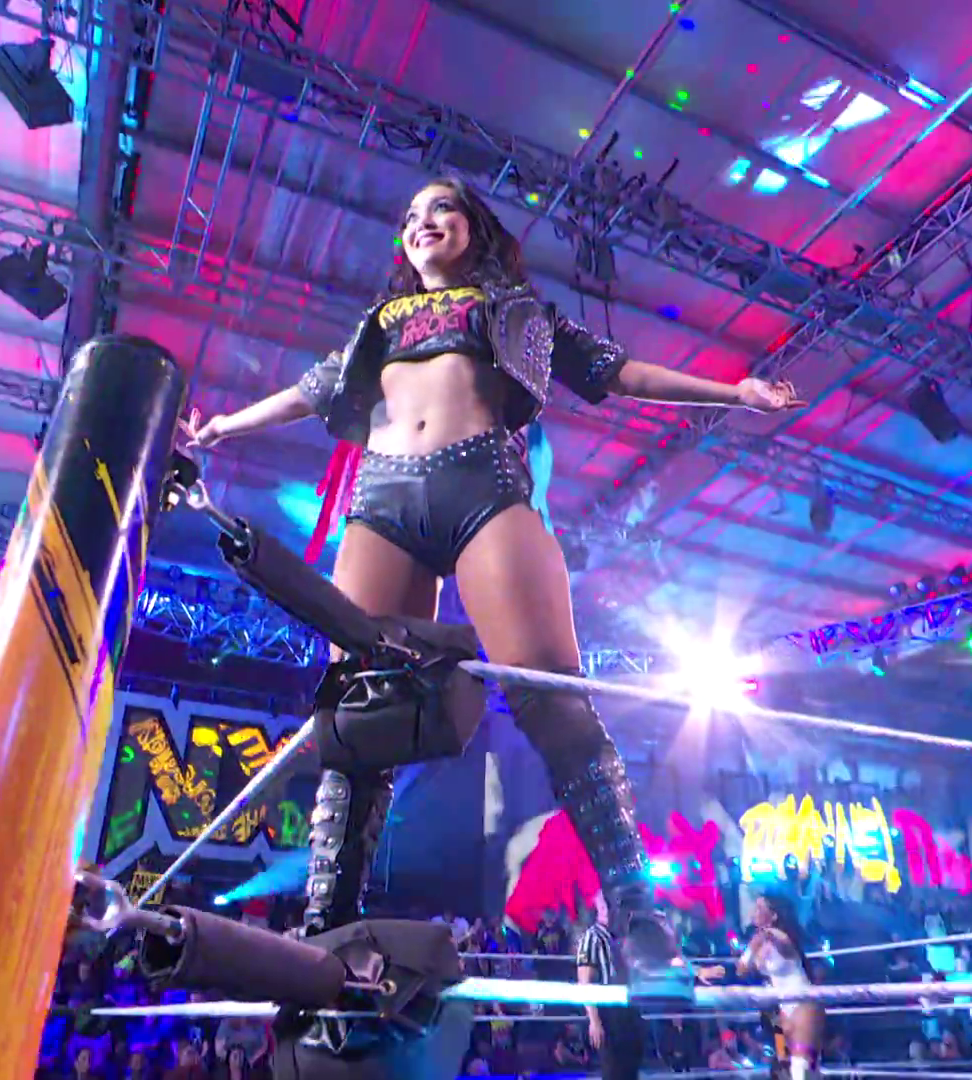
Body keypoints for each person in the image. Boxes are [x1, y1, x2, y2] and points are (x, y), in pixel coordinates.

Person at [177, 176, 801, 982]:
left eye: (439, 207)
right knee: (360, 713)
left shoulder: (516, 311)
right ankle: (328, 923)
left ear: (473, 226)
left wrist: (734, 395)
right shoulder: (382, 321)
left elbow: (617, 371)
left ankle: (637, 913)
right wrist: (223, 426)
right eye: (409, 214)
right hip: (383, 498)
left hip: (484, 486)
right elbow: (310, 390)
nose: (422, 222)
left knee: (552, 697)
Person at [698, 893, 820, 1079]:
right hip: (779, 1009)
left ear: (774, 915)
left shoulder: (782, 937)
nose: (754, 912)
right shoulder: (758, 940)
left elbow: (783, 942)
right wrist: (753, 947)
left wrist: (765, 934)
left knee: (801, 1069)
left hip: (801, 1002)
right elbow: (741, 970)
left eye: (760, 909)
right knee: (784, 1065)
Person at [576, 893, 645, 1080]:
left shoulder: (616, 938)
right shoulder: (592, 937)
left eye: (611, 907)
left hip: (627, 1010)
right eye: (604, 907)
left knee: (630, 1067)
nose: (609, 911)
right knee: (613, 1069)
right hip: (608, 1013)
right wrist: (594, 1020)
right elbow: (584, 981)